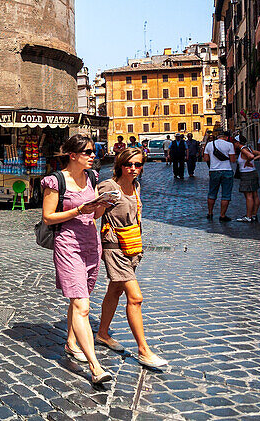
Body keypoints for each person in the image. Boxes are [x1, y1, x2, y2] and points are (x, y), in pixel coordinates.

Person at [41, 133, 117, 386]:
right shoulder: (55, 181)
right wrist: (76, 210)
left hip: (90, 243)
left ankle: (71, 343)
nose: (93, 156)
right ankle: (95, 368)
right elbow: (48, 218)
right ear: (72, 155)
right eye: (87, 152)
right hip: (67, 245)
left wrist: (104, 203)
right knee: (82, 305)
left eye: (93, 151)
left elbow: (94, 215)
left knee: (80, 298)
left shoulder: (92, 177)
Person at [94, 147, 168, 370]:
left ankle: (103, 333)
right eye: (129, 165)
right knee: (135, 297)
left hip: (132, 246)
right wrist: (102, 205)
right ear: (120, 165)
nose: (133, 169)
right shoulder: (109, 186)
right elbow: (94, 213)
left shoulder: (136, 186)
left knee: (115, 290)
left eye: (138, 165)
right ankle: (144, 351)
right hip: (114, 247)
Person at [203, 129, 237, 221]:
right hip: (227, 170)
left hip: (214, 170)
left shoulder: (210, 144)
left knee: (212, 193)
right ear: (226, 137)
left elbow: (206, 159)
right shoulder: (229, 145)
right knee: (226, 194)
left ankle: (210, 213)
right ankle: (222, 215)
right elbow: (233, 160)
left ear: (217, 137)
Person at [234, 135, 260, 223]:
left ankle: (248, 216)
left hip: (246, 174)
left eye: (235, 142)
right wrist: (250, 161)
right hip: (253, 172)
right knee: (255, 194)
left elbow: (251, 156)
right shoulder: (249, 148)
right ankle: (254, 215)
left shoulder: (243, 150)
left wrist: (248, 162)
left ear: (238, 143)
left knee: (249, 196)